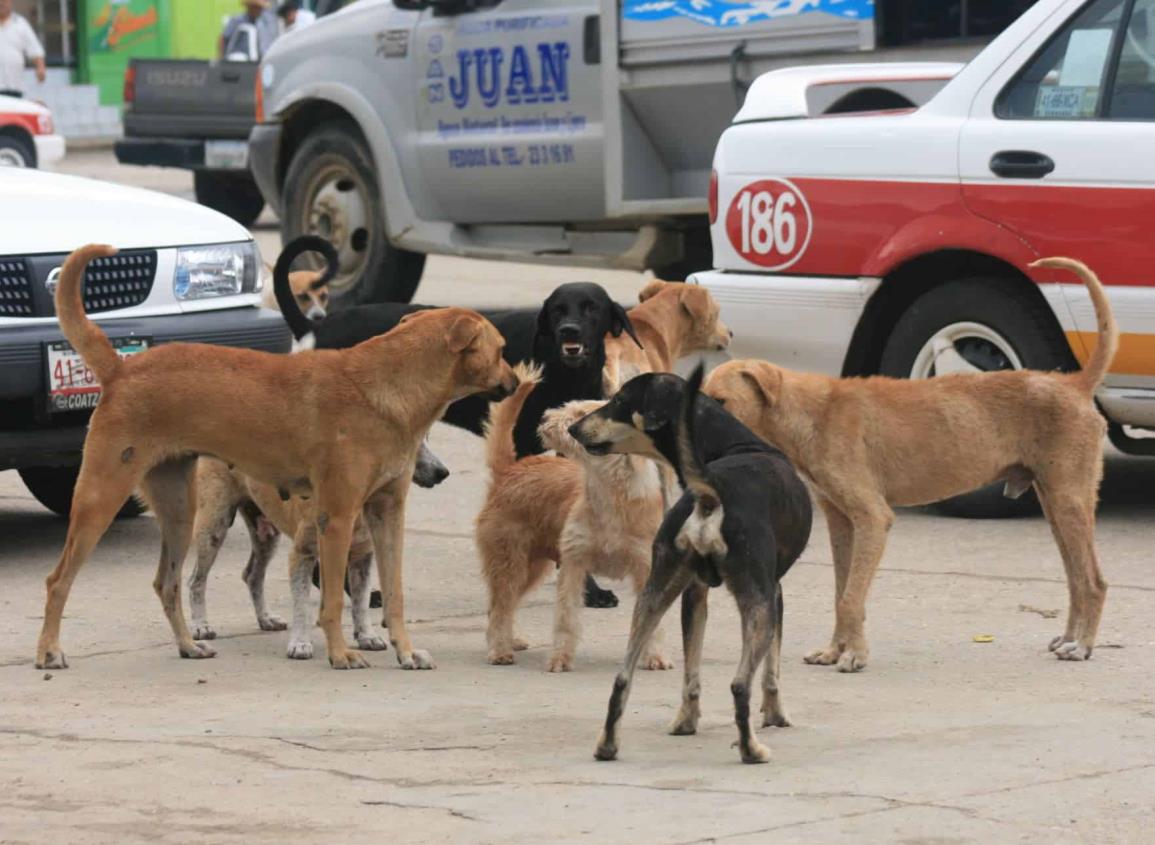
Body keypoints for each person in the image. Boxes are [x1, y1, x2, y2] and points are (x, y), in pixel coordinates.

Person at [0, 0, 46, 98]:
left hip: (14, 88)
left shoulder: (20, 23)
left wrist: (40, 67)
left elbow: (35, 49)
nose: (1, 3)